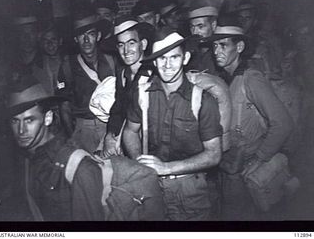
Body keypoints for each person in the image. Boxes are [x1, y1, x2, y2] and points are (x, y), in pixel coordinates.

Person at [123, 27, 223, 220]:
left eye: (174, 57)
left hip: (189, 191)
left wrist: (167, 168)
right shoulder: (142, 94)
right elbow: (130, 131)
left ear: (185, 58)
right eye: (162, 58)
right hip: (150, 187)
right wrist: (140, 161)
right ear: (154, 61)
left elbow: (214, 154)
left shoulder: (203, 100)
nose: (167, 65)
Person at [210, 22, 293, 220]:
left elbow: (283, 123)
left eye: (223, 45)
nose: (216, 51)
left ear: (239, 47)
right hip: (227, 166)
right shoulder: (222, 79)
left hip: (245, 169)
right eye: (214, 46)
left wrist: (259, 158)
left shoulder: (251, 79)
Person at [6, 73, 105, 221]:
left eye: (29, 120)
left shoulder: (78, 167)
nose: (21, 130)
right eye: (15, 121)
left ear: (48, 118)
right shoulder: (27, 160)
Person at [103, 15, 154, 158]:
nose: (126, 50)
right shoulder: (122, 73)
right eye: (121, 45)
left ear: (143, 44)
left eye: (131, 43)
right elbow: (118, 107)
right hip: (126, 141)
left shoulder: (152, 73)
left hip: (148, 143)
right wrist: (110, 134)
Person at [69, 10, 116, 153]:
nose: (87, 40)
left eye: (91, 34)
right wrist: (72, 137)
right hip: (84, 128)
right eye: (82, 35)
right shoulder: (67, 66)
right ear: (76, 39)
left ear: (98, 36)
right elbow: (64, 107)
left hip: (110, 125)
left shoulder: (112, 60)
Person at [31, 21, 75, 136]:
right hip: (49, 119)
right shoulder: (37, 67)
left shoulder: (70, 62)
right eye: (46, 41)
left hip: (71, 115)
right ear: (41, 44)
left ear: (60, 41)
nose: (50, 44)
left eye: (53, 40)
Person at [185, 0, 219, 75]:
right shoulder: (189, 52)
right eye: (192, 27)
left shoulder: (220, 54)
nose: (195, 32)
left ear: (213, 25)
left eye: (200, 26)